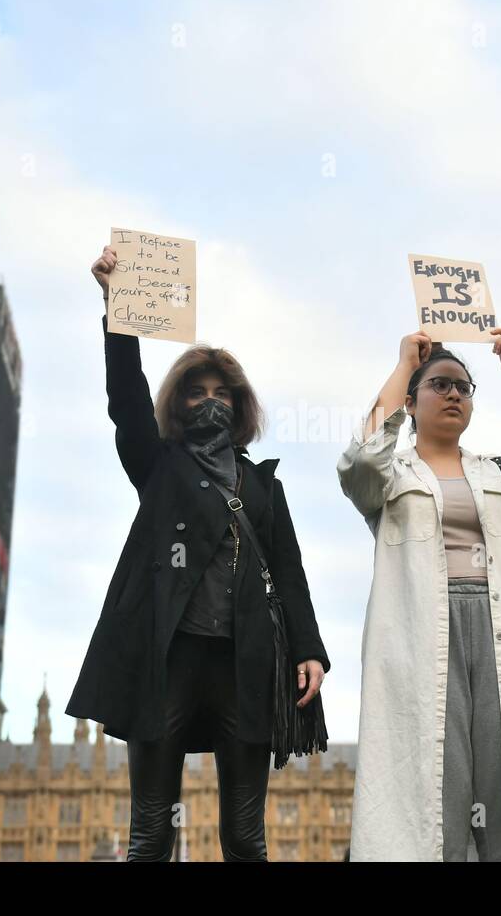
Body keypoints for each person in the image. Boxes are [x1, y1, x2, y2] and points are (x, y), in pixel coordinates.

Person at [66, 246, 331, 861]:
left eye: (222, 391)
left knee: (244, 835)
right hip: (168, 656)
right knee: (152, 832)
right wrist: (118, 314)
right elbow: (126, 405)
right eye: (195, 391)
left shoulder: (264, 485)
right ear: (178, 403)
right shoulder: (159, 468)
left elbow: (290, 575)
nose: (209, 400)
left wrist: (310, 650)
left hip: (246, 660)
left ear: (240, 405)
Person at [337, 326, 501, 861]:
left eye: (464, 386)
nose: (454, 393)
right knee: (435, 784)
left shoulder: (497, 472)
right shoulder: (389, 476)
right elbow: (360, 460)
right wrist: (405, 362)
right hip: (422, 635)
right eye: (439, 384)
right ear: (410, 402)